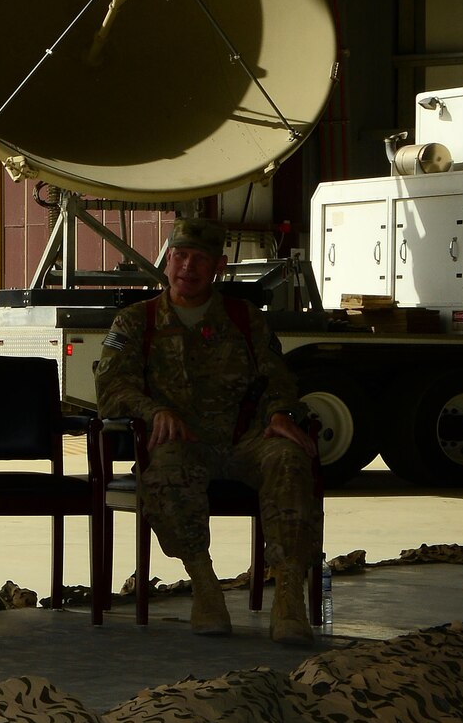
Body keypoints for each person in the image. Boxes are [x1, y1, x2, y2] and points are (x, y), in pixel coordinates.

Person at [94, 217, 319, 645]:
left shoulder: (244, 318)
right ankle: (205, 586)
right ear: (167, 260)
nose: (187, 267)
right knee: (165, 469)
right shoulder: (135, 322)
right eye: (180, 256)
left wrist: (281, 413)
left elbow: (278, 379)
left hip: (246, 439)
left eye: (199, 259)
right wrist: (153, 409)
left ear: (219, 266)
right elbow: (112, 388)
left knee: (289, 459)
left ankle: (289, 594)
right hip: (184, 442)